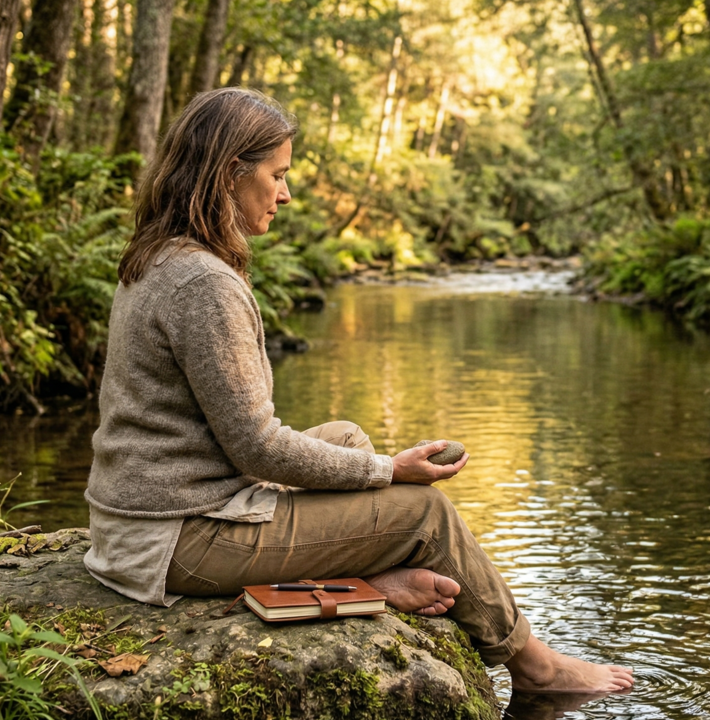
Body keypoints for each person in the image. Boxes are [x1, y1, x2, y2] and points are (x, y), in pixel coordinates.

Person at [83, 87, 633, 694]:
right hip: (174, 536)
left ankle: (371, 587)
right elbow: (258, 449)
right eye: (278, 175)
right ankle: (536, 667)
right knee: (422, 513)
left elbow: (241, 443)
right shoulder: (203, 284)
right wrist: (388, 470)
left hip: (151, 514)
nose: (286, 194)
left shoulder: (163, 256)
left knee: (343, 435)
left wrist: (371, 467)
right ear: (227, 176)